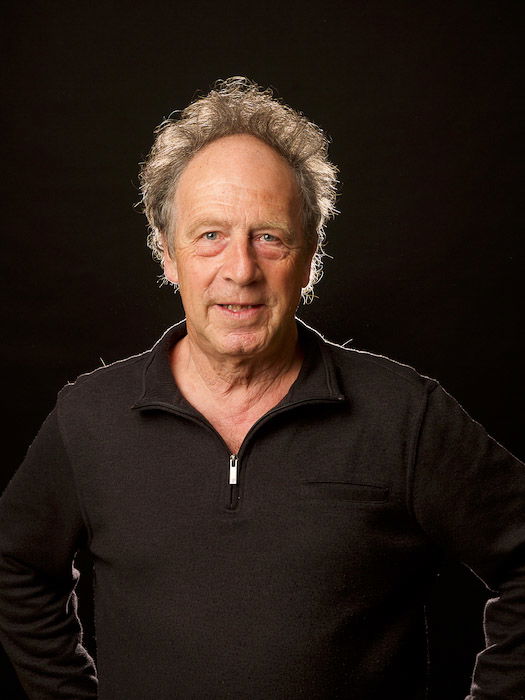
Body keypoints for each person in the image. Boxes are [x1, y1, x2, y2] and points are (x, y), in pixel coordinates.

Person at [0, 77, 524, 700]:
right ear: (167, 253)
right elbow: (16, 568)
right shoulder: (88, 418)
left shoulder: (403, 415)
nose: (241, 269)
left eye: (269, 237)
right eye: (210, 235)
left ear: (309, 258)